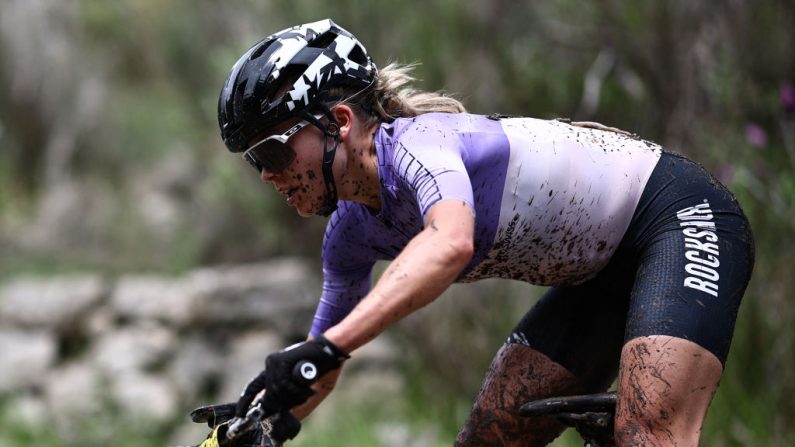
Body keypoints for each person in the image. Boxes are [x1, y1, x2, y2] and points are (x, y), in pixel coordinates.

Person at [213, 18, 755, 446]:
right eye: (254, 161)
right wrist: (262, 421)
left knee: (648, 435)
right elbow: (321, 362)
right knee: (487, 439)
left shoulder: (420, 146)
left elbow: (450, 242)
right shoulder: (348, 234)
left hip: (678, 219)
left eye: (273, 149)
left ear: (341, 122)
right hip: (599, 274)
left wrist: (324, 349)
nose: (266, 172)